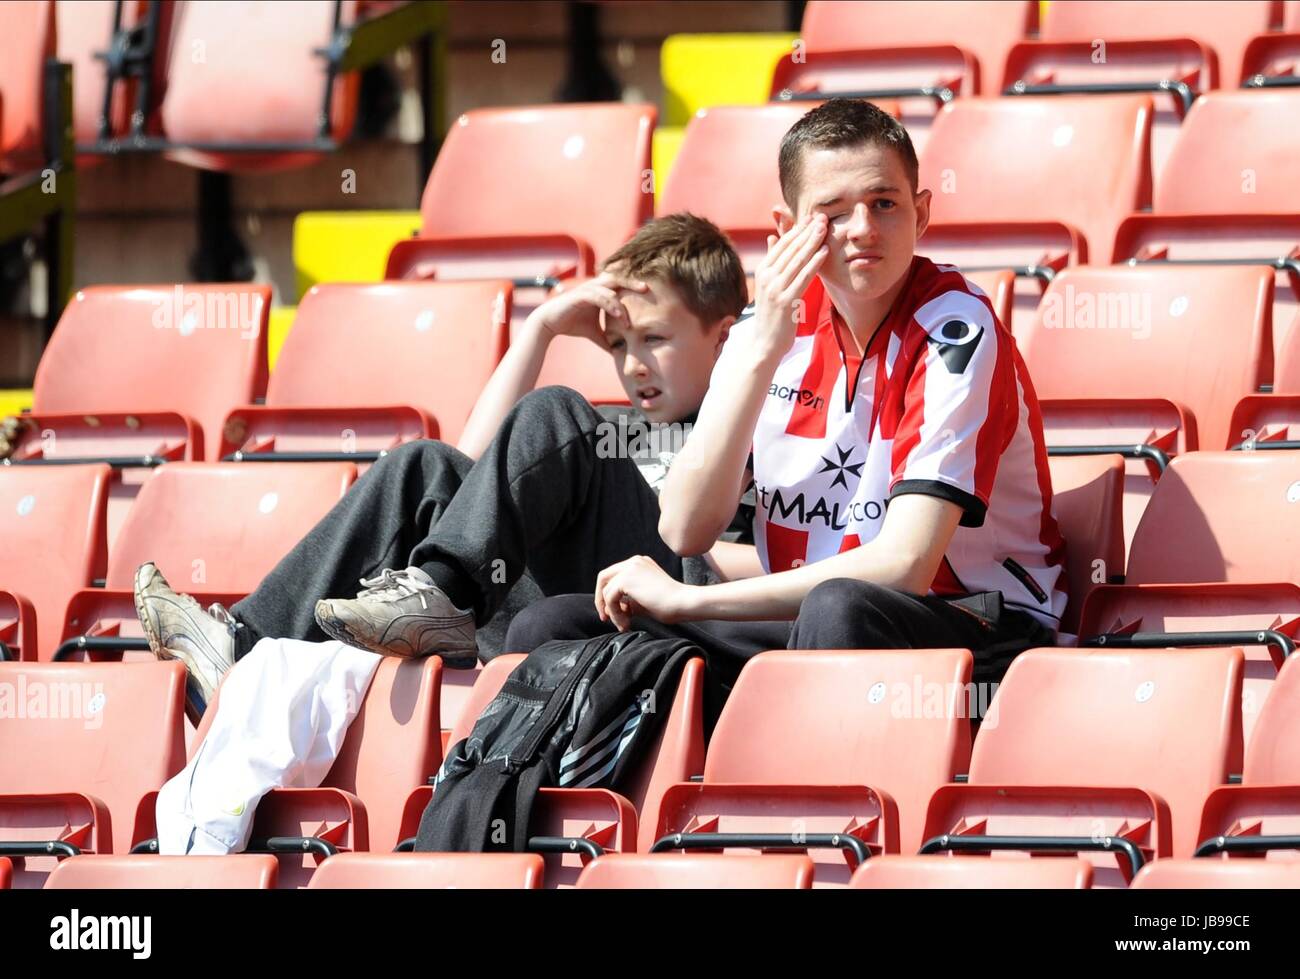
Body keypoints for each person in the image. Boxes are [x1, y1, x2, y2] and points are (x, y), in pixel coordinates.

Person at [502, 99, 1067, 721]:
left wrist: (686, 603)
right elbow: (686, 528)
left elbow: (906, 565)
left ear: (922, 212)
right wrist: (759, 349)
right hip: (804, 624)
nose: (862, 228)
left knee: (838, 607)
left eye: (885, 203)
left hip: (979, 627)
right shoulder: (766, 331)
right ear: (786, 228)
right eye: (831, 212)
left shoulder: (956, 327)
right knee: (552, 624)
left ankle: (801, 801)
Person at [133, 213, 752, 716]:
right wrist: (539, 329)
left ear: (723, 339)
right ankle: (239, 648)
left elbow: (775, 561)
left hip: (671, 615)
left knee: (558, 410)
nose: (634, 364)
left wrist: (686, 544)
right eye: (619, 344)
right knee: (422, 464)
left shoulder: (751, 429)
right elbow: (470, 462)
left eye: (656, 340)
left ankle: (442, 597)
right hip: (559, 607)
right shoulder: (618, 432)